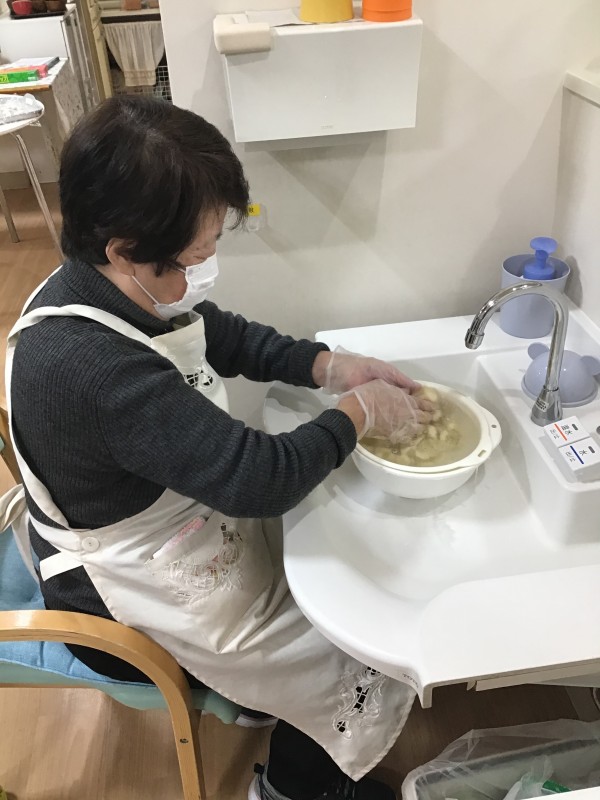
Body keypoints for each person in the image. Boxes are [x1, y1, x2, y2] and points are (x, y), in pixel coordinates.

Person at [6, 96, 434, 800]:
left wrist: (329, 366)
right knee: (357, 644)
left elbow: (219, 334)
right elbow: (258, 479)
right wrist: (358, 414)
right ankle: (289, 790)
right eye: (194, 257)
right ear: (122, 248)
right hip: (118, 596)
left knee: (325, 557)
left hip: (171, 519)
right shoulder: (92, 366)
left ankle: (282, 722)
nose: (204, 272)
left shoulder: (112, 287)